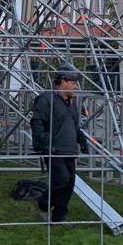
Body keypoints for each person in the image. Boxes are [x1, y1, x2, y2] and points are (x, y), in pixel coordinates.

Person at [30, 64, 89, 224]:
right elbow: (37, 123)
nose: (75, 86)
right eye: (73, 82)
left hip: (69, 148)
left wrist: (81, 139)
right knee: (61, 180)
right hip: (54, 148)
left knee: (70, 182)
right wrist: (43, 143)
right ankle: (43, 204)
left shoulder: (71, 102)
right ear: (62, 81)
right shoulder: (46, 99)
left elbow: (74, 124)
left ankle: (60, 216)